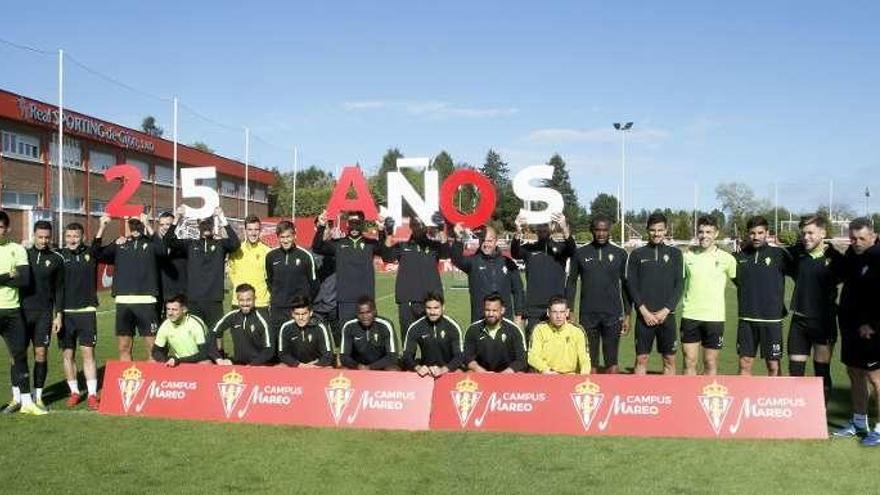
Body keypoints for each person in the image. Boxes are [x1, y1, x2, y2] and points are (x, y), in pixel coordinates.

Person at [830, 218, 880, 445]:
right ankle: (859, 422)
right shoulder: (852, 254)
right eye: (852, 238)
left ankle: (879, 429)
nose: (856, 242)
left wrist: (874, 324)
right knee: (854, 373)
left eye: (861, 238)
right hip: (850, 327)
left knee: (876, 378)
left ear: (873, 236)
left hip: (872, 331)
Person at [57, 219, 109, 409]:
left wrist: (102, 226)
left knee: (88, 353)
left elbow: (97, 244)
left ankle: (93, 394)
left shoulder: (90, 253)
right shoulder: (59, 255)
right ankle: (74, 392)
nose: (72, 239)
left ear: (82, 237)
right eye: (69, 236)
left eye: (76, 236)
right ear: (65, 237)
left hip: (86, 311)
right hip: (65, 313)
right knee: (68, 355)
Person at [567, 215, 630, 374]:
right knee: (590, 362)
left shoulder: (620, 253)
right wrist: (571, 310)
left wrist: (628, 314)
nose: (601, 233)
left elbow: (625, 286)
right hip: (588, 315)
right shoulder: (580, 253)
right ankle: (592, 397)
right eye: (597, 230)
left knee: (612, 362)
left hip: (612, 315)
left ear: (609, 231)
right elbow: (572, 282)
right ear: (592, 231)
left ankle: (612, 395)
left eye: (604, 230)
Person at [99, 214, 166, 361]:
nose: (135, 228)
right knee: (123, 347)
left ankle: (152, 381)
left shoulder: (151, 244)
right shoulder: (120, 244)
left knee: (153, 349)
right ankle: (128, 381)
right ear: (127, 225)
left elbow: (163, 250)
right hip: (123, 303)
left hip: (146, 302)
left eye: (138, 224)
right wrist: (102, 227)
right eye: (132, 224)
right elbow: (96, 253)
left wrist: (148, 225)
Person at [786, 215, 839, 396]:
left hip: (823, 323)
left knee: (821, 372)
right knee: (795, 372)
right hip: (799, 321)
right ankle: (797, 415)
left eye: (810, 233)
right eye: (803, 233)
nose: (806, 237)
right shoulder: (797, 254)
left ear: (823, 233)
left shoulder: (836, 259)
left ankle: (821, 418)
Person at [163, 207, 240, 331]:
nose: (206, 226)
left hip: (214, 300)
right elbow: (167, 241)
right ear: (198, 225)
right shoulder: (190, 244)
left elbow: (235, 243)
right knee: (195, 336)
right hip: (194, 300)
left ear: (212, 225)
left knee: (214, 336)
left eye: (208, 223)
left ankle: (216, 351)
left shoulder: (220, 244)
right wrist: (177, 217)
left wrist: (222, 217)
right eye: (203, 223)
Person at [625, 213, 683, 375]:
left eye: (660, 230)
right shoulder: (637, 254)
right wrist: (643, 311)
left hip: (667, 316)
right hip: (644, 317)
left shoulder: (675, 254)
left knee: (669, 360)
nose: (656, 233)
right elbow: (632, 285)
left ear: (666, 231)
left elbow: (679, 285)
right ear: (647, 230)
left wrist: (666, 310)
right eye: (652, 230)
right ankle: (640, 397)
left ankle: (670, 398)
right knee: (641, 359)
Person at [734, 216, 791, 376]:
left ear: (767, 233)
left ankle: (775, 399)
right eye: (752, 233)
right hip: (747, 319)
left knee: (774, 366)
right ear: (748, 234)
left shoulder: (779, 255)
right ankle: (744, 398)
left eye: (760, 232)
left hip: (772, 320)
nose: (756, 236)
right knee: (744, 364)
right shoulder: (740, 256)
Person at [680, 215, 737, 376]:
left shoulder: (727, 259)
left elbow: (741, 283)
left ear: (716, 233)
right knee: (689, 361)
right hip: (690, 315)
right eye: (701, 232)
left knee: (710, 362)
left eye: (708, 232)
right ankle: (689, 398)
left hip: (715, 317)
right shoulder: (687, 256)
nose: (704, 235)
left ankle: (707, 397)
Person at [0, 211, 43, 415]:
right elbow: (15, 277)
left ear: (7, 229)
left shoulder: (17, 249)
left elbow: (24, 279)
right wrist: (9, 274)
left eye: (0, 227)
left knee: (19, 356)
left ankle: (26, 402)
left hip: (13, 311)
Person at [380, 214, 451, 334]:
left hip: (431, 301)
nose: (419, 228)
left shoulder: (434, 246)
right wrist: (389, 233)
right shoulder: (402, 246)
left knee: (432, 342)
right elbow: (386, 257)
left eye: (421, 225)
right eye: (416, 225)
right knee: (408, 342)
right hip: (407, 301)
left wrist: (440, 228)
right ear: (411, 227)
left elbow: (445, 253)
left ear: (426, 226)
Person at [312, 210, 385, 327]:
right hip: (345, 300)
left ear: (362, 223)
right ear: (347, 224)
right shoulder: (338, 244)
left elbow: (384, 251)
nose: (354, 226)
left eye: (357, 223)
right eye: (351, 223)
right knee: (347, 336)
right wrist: (321, 226)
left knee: (368, 337)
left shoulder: (370, 244)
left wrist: (381, 230)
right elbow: (317, 247)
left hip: (367, 299)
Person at [19, 220, 64, 407]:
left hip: (44, 314)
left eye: (47, 237)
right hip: (20, 313)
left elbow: (59, 290)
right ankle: (19, 397)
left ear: (51, 237)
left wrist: (58, 315)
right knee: (18, 355)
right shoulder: (23, 254)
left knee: (41, 353)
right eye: (40, 237)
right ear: (33, 235)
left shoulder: (56, 259)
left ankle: (38, 396)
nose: (43, 241)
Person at [511, 212, 576, 338]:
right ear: (536, 229)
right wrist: (518, 230)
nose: (542, 229)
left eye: (545, 226)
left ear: (551, 227)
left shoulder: (561, 248)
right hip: (533, 308)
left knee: (557, 346)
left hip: (556, 307)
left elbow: (573, 250)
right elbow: (514, 253)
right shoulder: (529, 249)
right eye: (540, 227)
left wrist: (564, 227)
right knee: (533, 345)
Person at [450, 223, 525, 325]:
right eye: (483, 241)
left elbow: (518, 290)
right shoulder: (473, 262)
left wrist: (519, 315)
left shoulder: (508, 262)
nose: (486, 244)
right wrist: (458, 238)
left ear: (496, 241)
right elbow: (456, 259)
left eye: (490, 241)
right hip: (479, 320)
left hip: (504, 320)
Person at [266, 220, 318, 348]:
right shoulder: (271, 256)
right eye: (282, 237)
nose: (285, 240)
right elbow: (270, 280)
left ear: (295, 235)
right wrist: (278, 298)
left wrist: (303, 303)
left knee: (298, 346)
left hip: (297, 310)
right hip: (277, 309)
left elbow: (315, 284)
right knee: (277, 346)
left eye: (288, 236)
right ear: (278, 238)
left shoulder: (306, 256)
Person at [401, 292, 464, 377]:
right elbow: (407, 355)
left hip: (448, 369)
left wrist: (443, 370)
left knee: (460, 372)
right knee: (408, 372)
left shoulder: (452, 326)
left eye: (436, 308)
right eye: (429, 308)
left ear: (443, 307)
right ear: (424, 308)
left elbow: (459, 356)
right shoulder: (415, 327)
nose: (432, 312)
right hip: (425, 370)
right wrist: (418, 367)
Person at [209, 284, 274, 366]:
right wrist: (218, 358)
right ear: (237, 300)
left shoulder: (263, 319)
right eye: (241, 300)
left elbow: (269, 350)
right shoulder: (233, 316)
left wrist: (252, 365)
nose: (245, 304)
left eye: (248, 300)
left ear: (255, 299)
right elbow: (212, 333)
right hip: (238, 363)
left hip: (258, 365)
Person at [462, 293, 527, 373]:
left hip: (507, 374)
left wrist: (506, 373)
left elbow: (521, 359)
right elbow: (467, 357)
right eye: (487, 310)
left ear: (502, 310)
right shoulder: (473, 330)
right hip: (482, 373)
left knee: (520, 373)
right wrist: (480, 370)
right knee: (469, 373)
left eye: (494, 310)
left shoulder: (514, 330)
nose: (491, 314)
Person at [528, 296, 591, 374]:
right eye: (554, 312)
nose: (558, 316)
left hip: (570, 376)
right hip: (547, 375)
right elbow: (532, 357)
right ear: (548, 312)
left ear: (567, 312)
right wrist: (546, 370)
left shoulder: (577, 331)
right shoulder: (539, 329)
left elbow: (584, 359)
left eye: (562, 312)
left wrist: (583, 375)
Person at [338, 296, 398, 370]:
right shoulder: (349, 326)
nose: (365, 316)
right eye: (361, 313)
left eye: (368, 312)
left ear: (374, 311)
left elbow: (392, 356)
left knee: (393, 370)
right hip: (358, 366)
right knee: (342, 370)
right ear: (357, 314)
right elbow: (344, 356)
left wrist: (370, 367)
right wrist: (357, 366)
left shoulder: (385, 325)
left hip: (380, 365)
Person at [151, 294, 212, 366]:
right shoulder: (165, 325)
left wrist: (178, 360)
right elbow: (156, 351)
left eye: (174, 310)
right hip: (180, 361)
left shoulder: (195, 324)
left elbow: (203, 354)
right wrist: (168, 359)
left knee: (205, 363)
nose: (170, 313)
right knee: (152, 361)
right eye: (168, 309)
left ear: (184, 310)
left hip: (197, 360)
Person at [228, 215, 271, 312]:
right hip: (239, 302)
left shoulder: (267, 252)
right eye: (250, 230)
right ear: (245, 231)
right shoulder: (236, 250)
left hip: (260, 302)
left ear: (260, 231)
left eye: (256, 229)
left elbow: (270, 278)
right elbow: (231, 272)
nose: (253, 233)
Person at [277, 295, 335, 368]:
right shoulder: (286, 327)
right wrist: (299, 365)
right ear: (292, 314)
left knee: (329, 368)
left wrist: (313, 365)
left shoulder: (320, 327)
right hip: (295, 365)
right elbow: (283, 354)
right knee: (280, 367)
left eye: (304, 314)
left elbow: (328, 356)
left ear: (310, 313)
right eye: (297, 314)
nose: (300, 318)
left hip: (316, 365)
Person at [156, 211, 187, 319]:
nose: (165, 227)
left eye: (168, 224)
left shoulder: (183, 245)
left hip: (180, 296)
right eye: (162, 224)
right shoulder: (152, 245)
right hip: (160, 296)